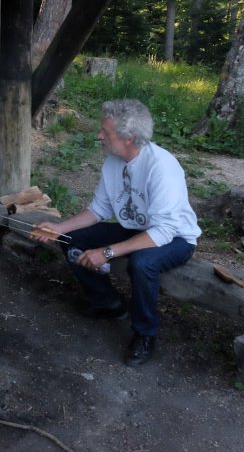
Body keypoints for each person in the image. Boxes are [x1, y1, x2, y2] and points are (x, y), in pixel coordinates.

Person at [33, 99, 201, 367]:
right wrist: (58, 228)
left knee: (142, 263)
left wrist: (107, 252)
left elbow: (164, 231)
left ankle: (145, 333)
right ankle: (109, 303)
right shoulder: (113, 162)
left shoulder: (161, 167)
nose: (100, 135)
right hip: (135, 228)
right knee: (72, 239)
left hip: (175, 238)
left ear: (129, 137)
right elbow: (98, 209)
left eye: (106, 132)